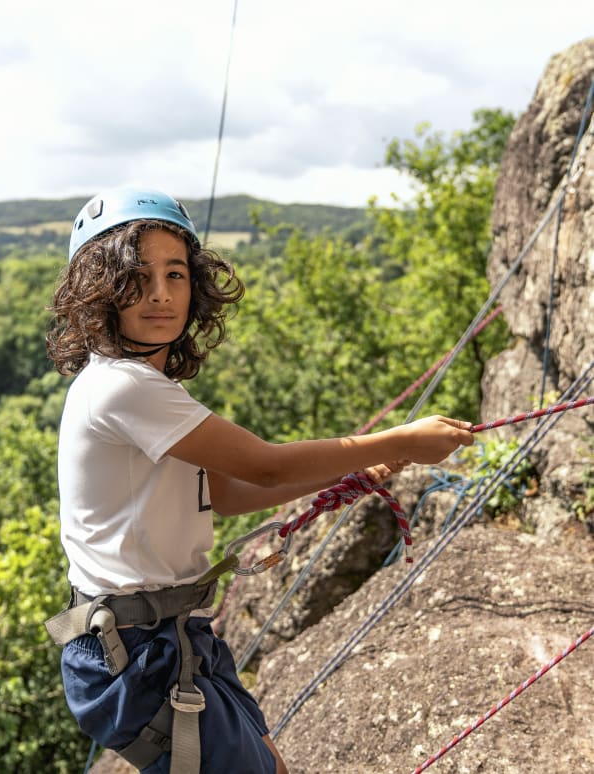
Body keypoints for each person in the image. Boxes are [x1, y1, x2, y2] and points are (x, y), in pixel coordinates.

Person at [45, 186, 474, 774]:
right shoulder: (122, 387)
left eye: (175, 274)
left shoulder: (148, 388)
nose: (160, 293)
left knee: (270, 763)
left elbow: (225, 493)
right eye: (135, 277)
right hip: (137, 650)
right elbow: (264, 464)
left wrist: (352, 469)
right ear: (99, 291)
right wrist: (401, 440)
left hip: (165, 635)